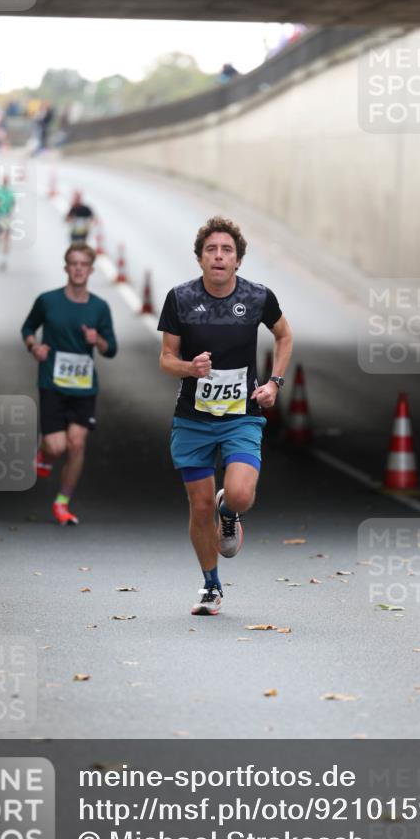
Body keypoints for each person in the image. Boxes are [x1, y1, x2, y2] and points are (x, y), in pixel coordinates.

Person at [158, 216, 293, 616]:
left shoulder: (257, 297)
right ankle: (210, 586)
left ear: (238, 260)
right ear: (200, 259)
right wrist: (190, 369)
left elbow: (284, 335)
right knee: (198, 508)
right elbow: (166, 359)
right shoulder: (179, 299)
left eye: (227, 250)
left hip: (241, 417)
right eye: (211, 250)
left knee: (239, 494)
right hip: (193, 419)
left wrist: (275, 383)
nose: (219, 256)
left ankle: (229, 512)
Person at [21, 243, 117, 526]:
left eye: (83, 264)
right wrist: (33, 347)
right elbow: (28, 328)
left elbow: (111, 349)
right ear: (66, 267)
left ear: (90, 270)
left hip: (84, 387)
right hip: (52, 382)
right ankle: (44, 452)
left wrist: (96, 340)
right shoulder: (48, 301)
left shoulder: (99, 307)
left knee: (76, 444)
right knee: (57, 445)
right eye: (73, 264)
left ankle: (62, 502)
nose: (78, 269)